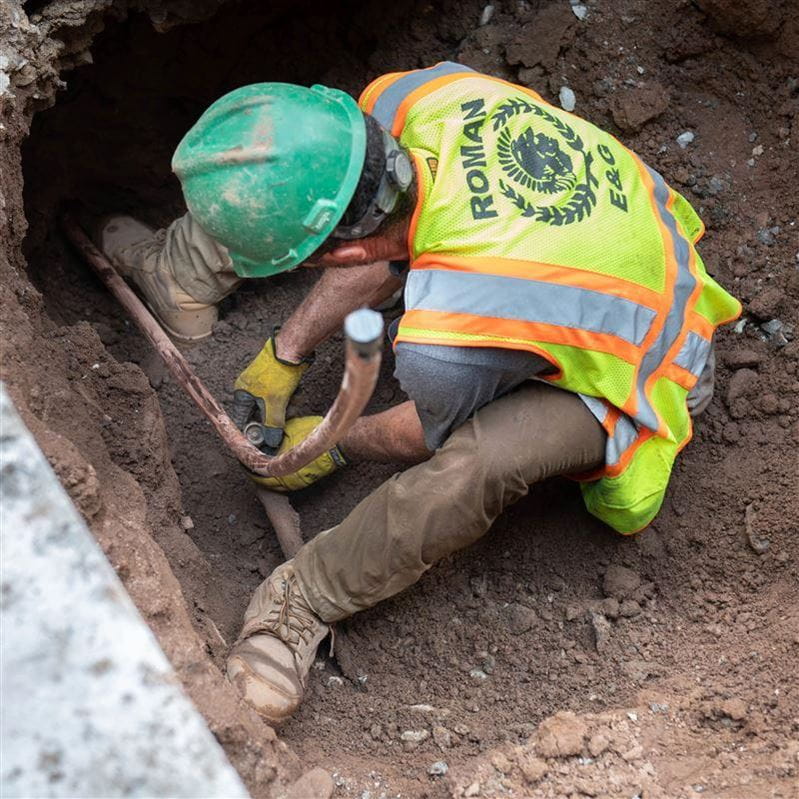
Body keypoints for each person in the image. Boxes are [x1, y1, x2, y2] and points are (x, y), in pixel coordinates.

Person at [97, 63, 740, 725]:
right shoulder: (408, 96)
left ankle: (304, 597)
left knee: (483, 460)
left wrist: (328, 443)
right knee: (386, 226)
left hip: (648, 357)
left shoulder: (450, 341)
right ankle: (176, 279)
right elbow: (383, 236)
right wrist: (282, 355)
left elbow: (414, 430)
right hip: (605, 240)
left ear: (338, 259)